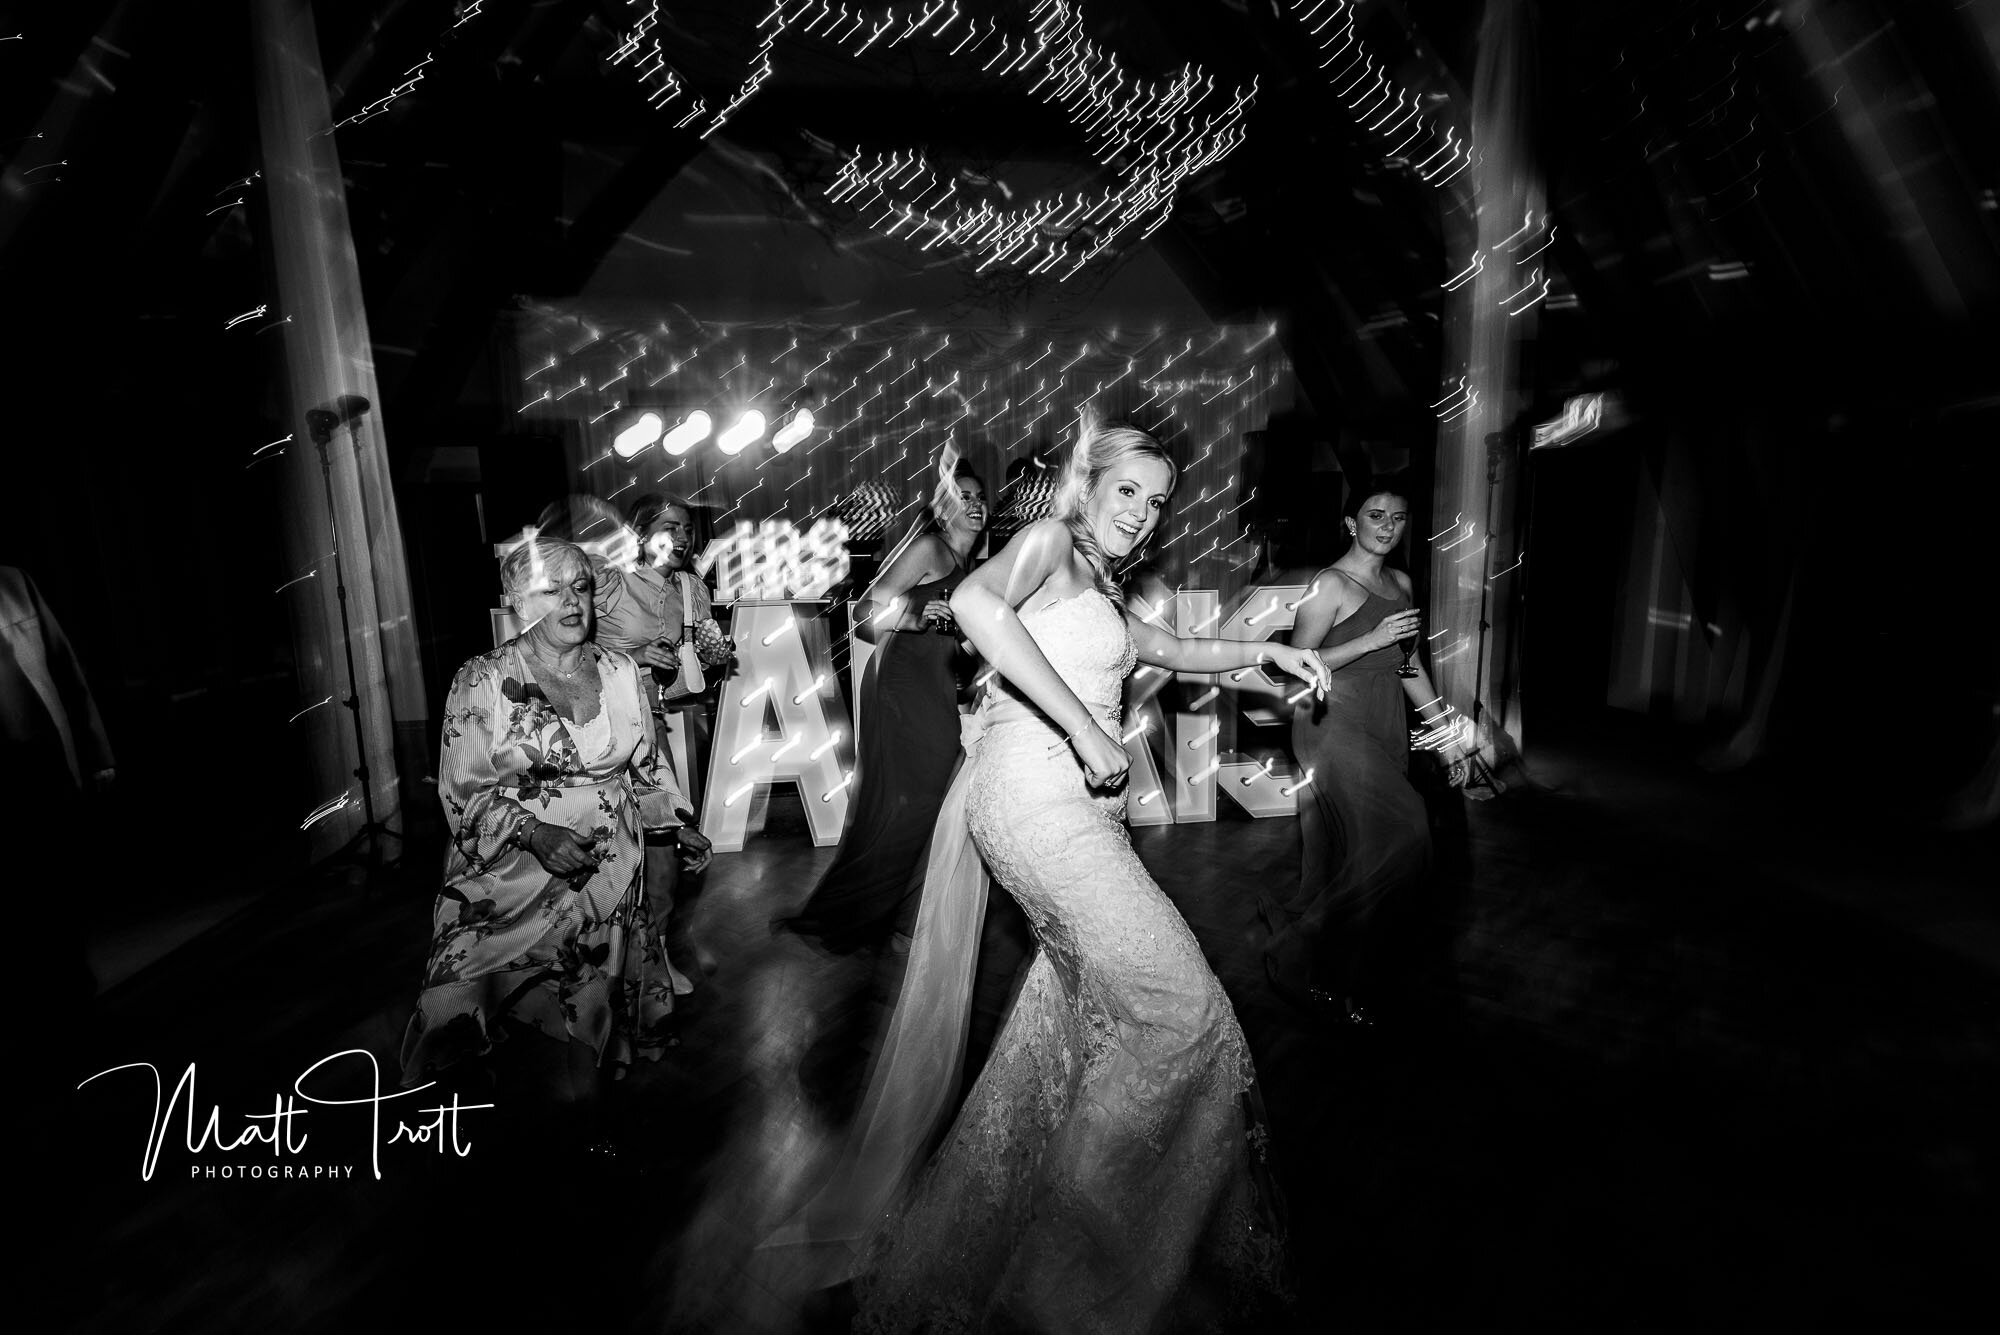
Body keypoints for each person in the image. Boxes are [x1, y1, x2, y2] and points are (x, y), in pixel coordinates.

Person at [818, 413, 1328, 1331]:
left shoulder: (1099, 580)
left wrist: (1265, 651)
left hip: (1078, 810)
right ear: (1086, 483)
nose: (1141, 510)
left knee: (1065, 1033)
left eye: (1157, 499)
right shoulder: (1050, 542)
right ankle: (1074, 1250)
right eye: (1126, 489)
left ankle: (1022, 1240)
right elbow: (974, 605)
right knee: (1185, 1015)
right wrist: (1088, 729)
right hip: (1033, 797)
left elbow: (1168, 651)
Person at [400, 537, 711, 1105]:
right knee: (458, 996)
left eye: (581, 586)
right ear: (521, 600)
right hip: (508, 877)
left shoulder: (621, 671)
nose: (572, 601)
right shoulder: (484, 678)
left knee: (590, 1002)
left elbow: (644, 768)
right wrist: (535, 834)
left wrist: (675, 823)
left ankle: (585, 1126)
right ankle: (460, 1116)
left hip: (606, 872)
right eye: (552, 589)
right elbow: (462, 792)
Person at [1261, 487, 1471, 1026]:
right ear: (1351, 522)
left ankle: (1344, 977)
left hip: (1384, 722)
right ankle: (1299, 952)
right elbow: (1296, 664)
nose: (1387, 526)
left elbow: (1409, 665)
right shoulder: (1328, 584)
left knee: (1365, 853)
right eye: (1375, 516)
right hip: (1332, 724)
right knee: (1406, 836)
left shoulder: (1399, 583)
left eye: (1398, 518)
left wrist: (1444, 734)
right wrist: (1369, 638)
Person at [778, 460, 988, 953]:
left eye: (980, 496)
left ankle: (904, 911)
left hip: (935, 683)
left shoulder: (971, 566)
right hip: (903, 684)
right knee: (915, 802)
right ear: (942, 508)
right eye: (964, 496)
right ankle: (871, 911)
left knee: (932, 802)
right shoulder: (930, 549)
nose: (975, 504)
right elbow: (868, 612)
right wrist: (916, 618)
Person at [589, 493, 731, 994]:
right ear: (640, 535)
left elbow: (693, 663)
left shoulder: (691, 588)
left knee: (665, 848)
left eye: (688, 528)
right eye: (671, 526)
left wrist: (715, 653)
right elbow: (562, 649)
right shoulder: (607, 584)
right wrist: (631, 652)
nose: (684, 537)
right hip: (596, 735)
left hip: (651, 729)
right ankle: (598, 966)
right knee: (605, 855)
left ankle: (657, 954)